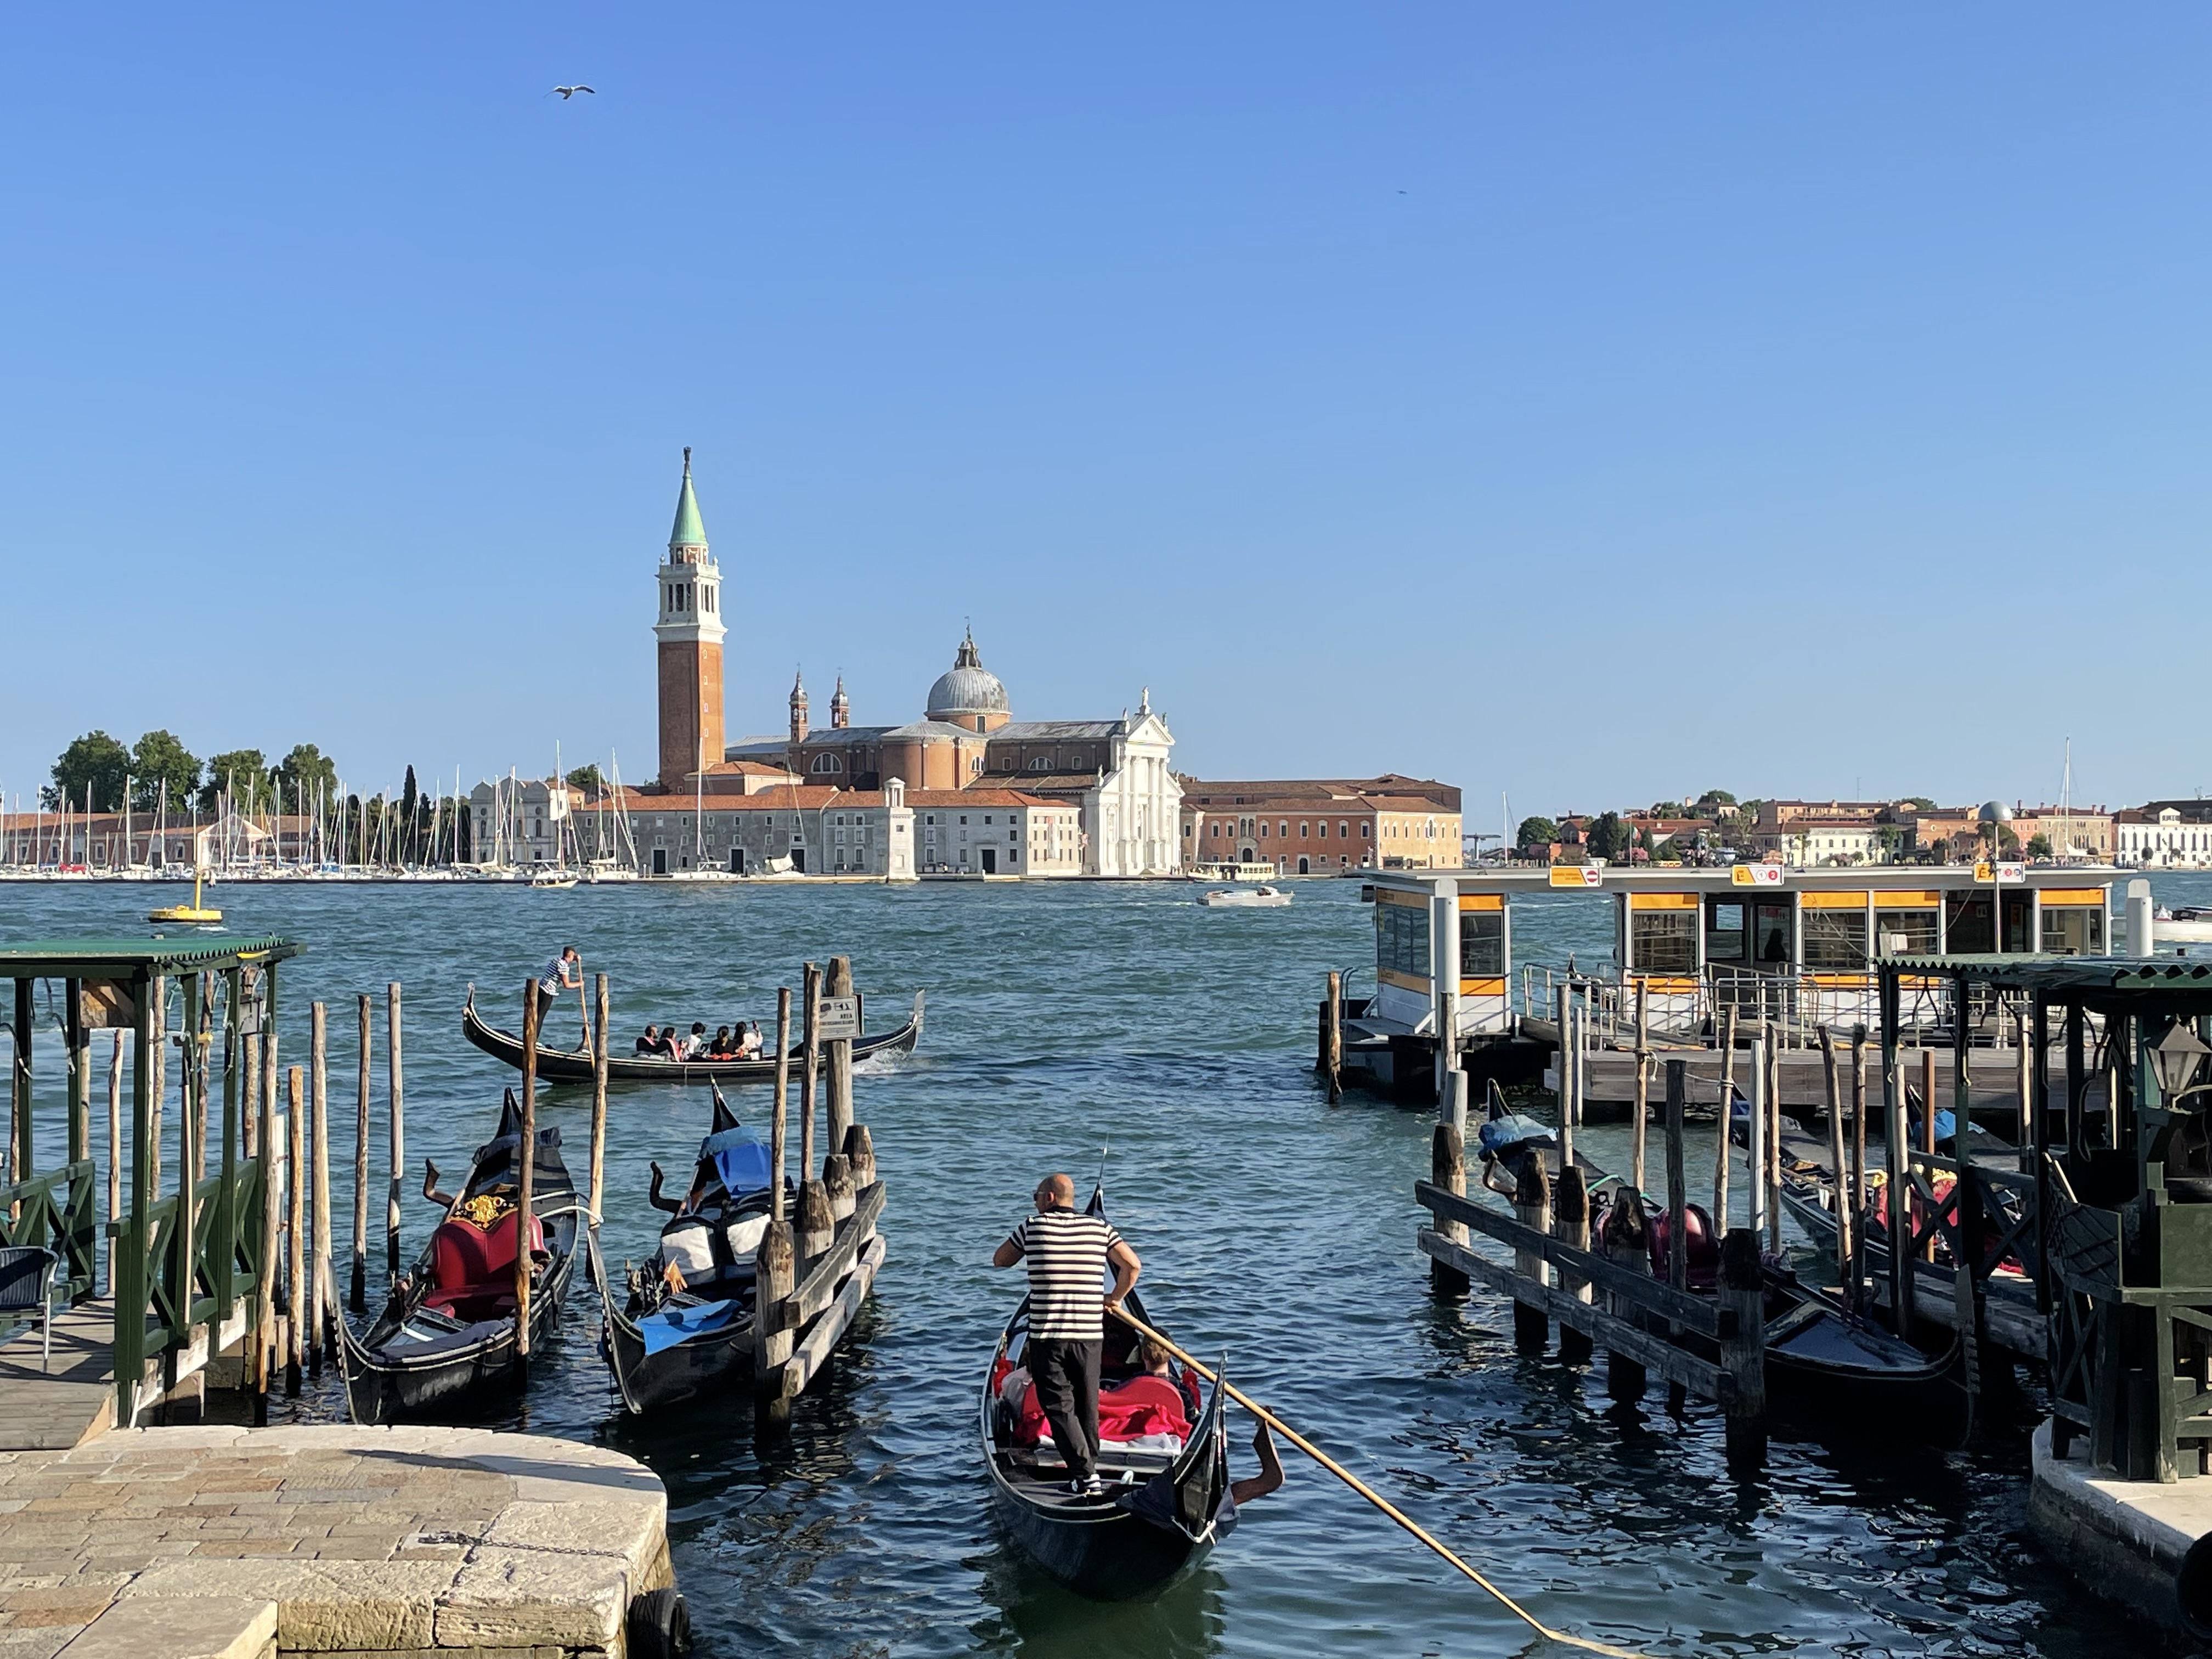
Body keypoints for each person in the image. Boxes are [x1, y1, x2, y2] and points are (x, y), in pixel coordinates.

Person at [991, 1172, 1141, 1494]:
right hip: (1090, 1335)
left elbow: (1000, 1261)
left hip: (1049, 1336)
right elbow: (1132, 1266)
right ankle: (1088, 1470)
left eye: (1036, 1196)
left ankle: (1086, 1477)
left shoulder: (1033, 1226)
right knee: (1087, 1406)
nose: (1034, 1202)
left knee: (1059, 1407)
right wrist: (1114, 1298)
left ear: (1049, 1198)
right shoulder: (1100, 1228)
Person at [536, 946, 582, 1031]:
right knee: (540, 1016)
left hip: (541, 988)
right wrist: (579, 984)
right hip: (547, 992)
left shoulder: (556, 960)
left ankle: (531, 1034)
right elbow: (567, 985)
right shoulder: (564, 967)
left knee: (536, 1013)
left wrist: (575, 959)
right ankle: (534, 1036)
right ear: (570, 956)